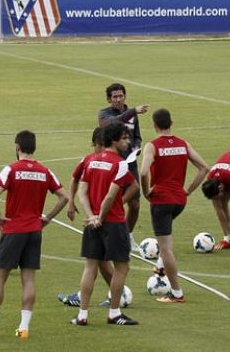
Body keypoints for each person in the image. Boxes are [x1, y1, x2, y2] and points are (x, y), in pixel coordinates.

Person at [0, 130, 69, 340]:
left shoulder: (11, 169)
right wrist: (48, 218)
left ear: (17, 147)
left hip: (13, 230)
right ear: (34, 147)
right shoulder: (45, 171)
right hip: (34, 231)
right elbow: (64, 197)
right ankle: (23, 328)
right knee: (28, 280)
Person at [71, 121, 139, 326]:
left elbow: (82, 191)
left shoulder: (90, 161)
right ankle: (114, 313)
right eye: (125, 138)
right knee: (122, 267)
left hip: (92, 223)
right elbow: (111, 196)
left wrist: (91, 216)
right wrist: (101, 216)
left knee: (90, 266)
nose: (128, 142)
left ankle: (82, 315)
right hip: (114, 222)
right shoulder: (120, 164)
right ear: (115, 140)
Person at [139, 109, 208, 303]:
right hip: (179, 200)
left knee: (166, 247)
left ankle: (176, 293)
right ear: (172, 123)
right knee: (166, 237)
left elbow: (143, 172)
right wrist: (188, 190)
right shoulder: (183, 144)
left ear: (154, 126)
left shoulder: (152, 146)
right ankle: (161, 266)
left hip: (161, 200)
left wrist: (146, 192)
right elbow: (204, 168)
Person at [58, 127, 115, 308]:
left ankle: (114, 296)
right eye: (99, 145)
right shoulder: (88, 160)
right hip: (93, 217)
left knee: (97, 261)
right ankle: (117, 295)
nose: (102, 148)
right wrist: (71, 202)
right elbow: (75, 180)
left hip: (103, 218)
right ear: (95, 144)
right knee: (100, 261)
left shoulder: (111, 162)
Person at [97, 83, 149, 251]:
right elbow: (113, 124)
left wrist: (137, 146)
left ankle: (127, 235)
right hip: (110, 166)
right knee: (108, 200)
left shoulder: (133, 116)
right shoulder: (104, 114)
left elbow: (137, 136)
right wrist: (133, 111)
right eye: (115, 97)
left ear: (125, 96)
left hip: (129, 164)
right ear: (109, 99)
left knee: (135, 205)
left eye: (121, 96)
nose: (118, 100)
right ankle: (104, 231)